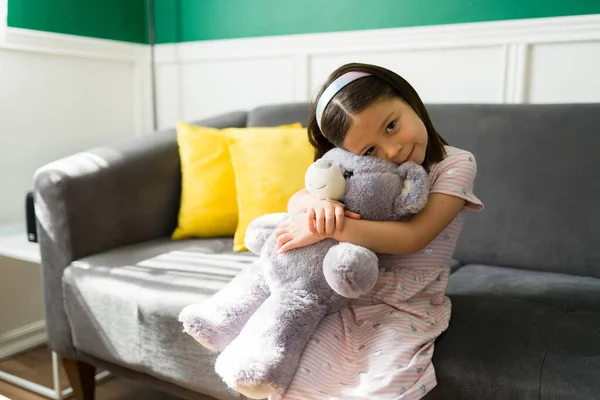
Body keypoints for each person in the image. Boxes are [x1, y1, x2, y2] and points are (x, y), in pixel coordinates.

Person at [273, 62, 484, 400]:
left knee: (380, 386)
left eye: (391, 126)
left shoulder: (456, 164)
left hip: (408, 300)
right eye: (369, 150)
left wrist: (333, 228)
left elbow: (413, 237)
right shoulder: (357, 169)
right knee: (297, 373)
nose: (392, 151)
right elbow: (297, 199)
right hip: (344, 290)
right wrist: (316, 208)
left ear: (407, 99)